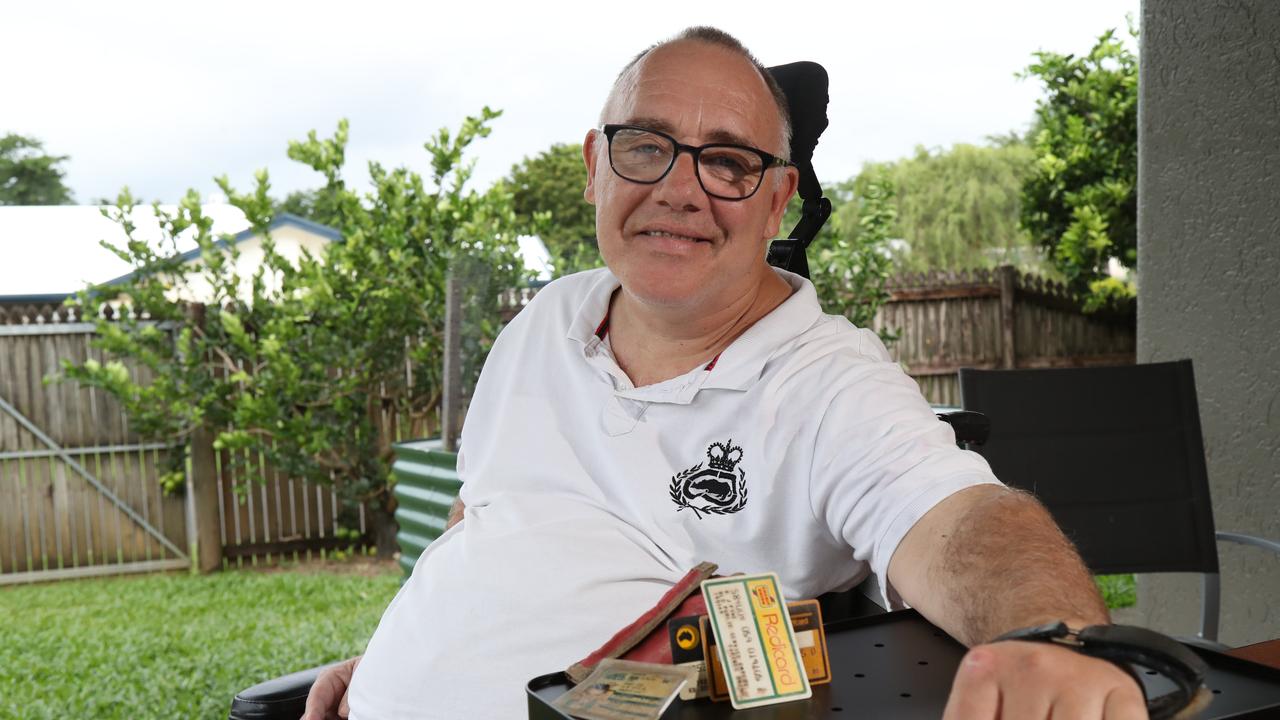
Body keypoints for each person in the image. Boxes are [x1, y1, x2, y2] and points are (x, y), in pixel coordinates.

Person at [304, 27, 1147, 720]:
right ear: (595, 166)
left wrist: (1055, 644)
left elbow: (965, 523)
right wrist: (398, 658)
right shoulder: (541, 323)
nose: (681, 189)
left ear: (778, 201)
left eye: (729, 163)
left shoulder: (824, 382)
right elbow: (481, 516)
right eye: (646, 147)